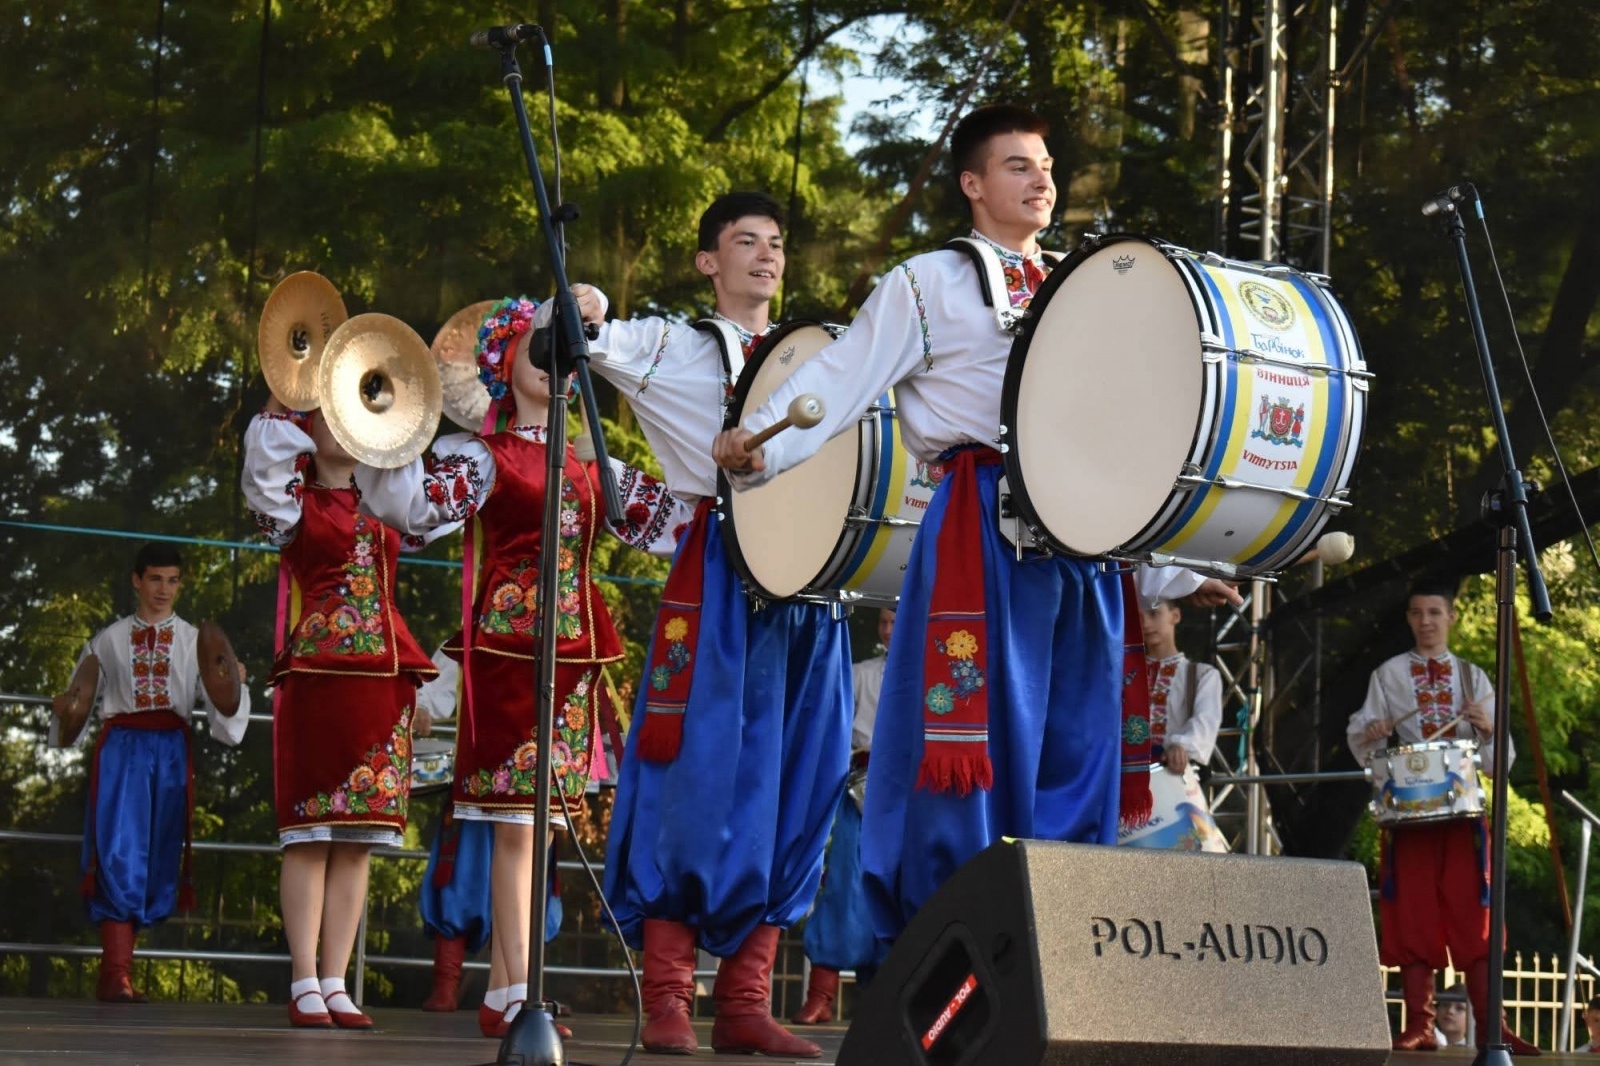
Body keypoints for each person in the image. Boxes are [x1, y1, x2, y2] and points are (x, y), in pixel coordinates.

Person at [712, 105, 1240, 953]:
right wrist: (759, 444)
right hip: (981, 530)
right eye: (1019, 166)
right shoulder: (927, 283)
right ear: (972, 184)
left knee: (1080, 736)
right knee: (973, 740)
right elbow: (840, 379)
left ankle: (1063, 942)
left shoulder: (1085, 286)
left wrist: (1175, 569)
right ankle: (955, 936)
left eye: (1047, 165)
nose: (1042, 180)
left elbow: (1130, 438)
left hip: (1086, 539)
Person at [355, 290, 686, 1038]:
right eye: (538, 340)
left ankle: (514, 983)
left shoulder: (592, 462)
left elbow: (672, 518)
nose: (553, 352)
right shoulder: (482, 456)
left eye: (561, 341)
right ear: (506, 360)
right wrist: (377, 427)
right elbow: (410, 507)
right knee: (513, 821)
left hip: (572, 656)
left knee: (539, 828)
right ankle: (513, 992)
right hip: (507, 652)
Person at [587, 191, 853, 1058]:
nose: (767, 255)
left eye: (776, 243)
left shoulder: (827, 358)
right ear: (709, 261)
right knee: (693, 778)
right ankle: (667, 996)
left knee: (799, 779)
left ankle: (745, 1001)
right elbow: (580, 330)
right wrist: (584, 303)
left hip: (815, 581)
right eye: (746, 241)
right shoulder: (670, 345)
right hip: (719, 575)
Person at [243, 401, 438, 1028]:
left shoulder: (386, 501)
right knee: (310, 834)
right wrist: (286, 409)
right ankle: (304, 978)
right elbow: (261, 468)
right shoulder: (291, 502)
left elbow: (429, 503)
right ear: (308, 429)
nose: (349, 429)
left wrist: (398, 434)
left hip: (383, 681)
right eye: (334, 415)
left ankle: (335, 980)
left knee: (358, 840)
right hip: (318, 679)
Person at [48, 542, 250, 1003]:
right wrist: (63, 711)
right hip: (122, 752)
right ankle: (114, 974)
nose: (164, 590)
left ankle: (120, 972)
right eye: (155, 579)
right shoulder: (107, 640)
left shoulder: (197, 642)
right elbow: (77, 704)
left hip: (172, 752)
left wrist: (233, 681)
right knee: (118, 851)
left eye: (173, 580)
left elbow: (224, 715)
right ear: (137, 580)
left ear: (181, 583)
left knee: (158, 852)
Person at [1346, 576, 1538, 1056]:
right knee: (1412, 916)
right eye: (1417, 614)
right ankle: (1419, 1027)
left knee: (1477, 919)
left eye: (1435, 613)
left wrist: (1489, 728)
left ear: (1451, 617)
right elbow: (1362, 742)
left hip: (1462, 818)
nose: (1426, 622)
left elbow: (1501, 761)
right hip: (1409, 816)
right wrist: (1373, 732)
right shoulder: (1387, 675)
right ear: (1409, 619)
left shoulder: (1475, 677)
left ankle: (1494, 1028)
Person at [412, 647, 565, 1034]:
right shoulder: (486, 626)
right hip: (484, 768)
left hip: (533, 746)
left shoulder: (567, 623)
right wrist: (421, 706)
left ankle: (502, 991)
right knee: (461, 881)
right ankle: (459, 986)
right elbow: (432, 685)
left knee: (532, 857)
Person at [792, 607, 896, 1026]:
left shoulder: (933, 675)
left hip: (910, 802)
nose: (887, 629)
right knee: (844, 887)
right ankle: (822, 993)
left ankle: (885, 1000)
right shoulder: (859, 674)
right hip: (858, 795)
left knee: (897, 893)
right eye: (883, 621)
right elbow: (834, 735)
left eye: (895, 621)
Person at [1138, 599, 1223, 776]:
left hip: (1175, 779)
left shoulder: (1202, 675)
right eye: (1139, 617)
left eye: (1154, 614)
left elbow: (1205, 721)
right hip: (1128, 778)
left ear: (1175, 616)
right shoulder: (1126, 676)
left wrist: (1181, 745)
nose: (1145, 623)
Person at [1434, 980, 1470, 1047]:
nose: (1450, 1011)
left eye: (1459, 1008)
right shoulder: (1424, 1045)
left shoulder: (1474, 1050)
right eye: (1445, 1005)